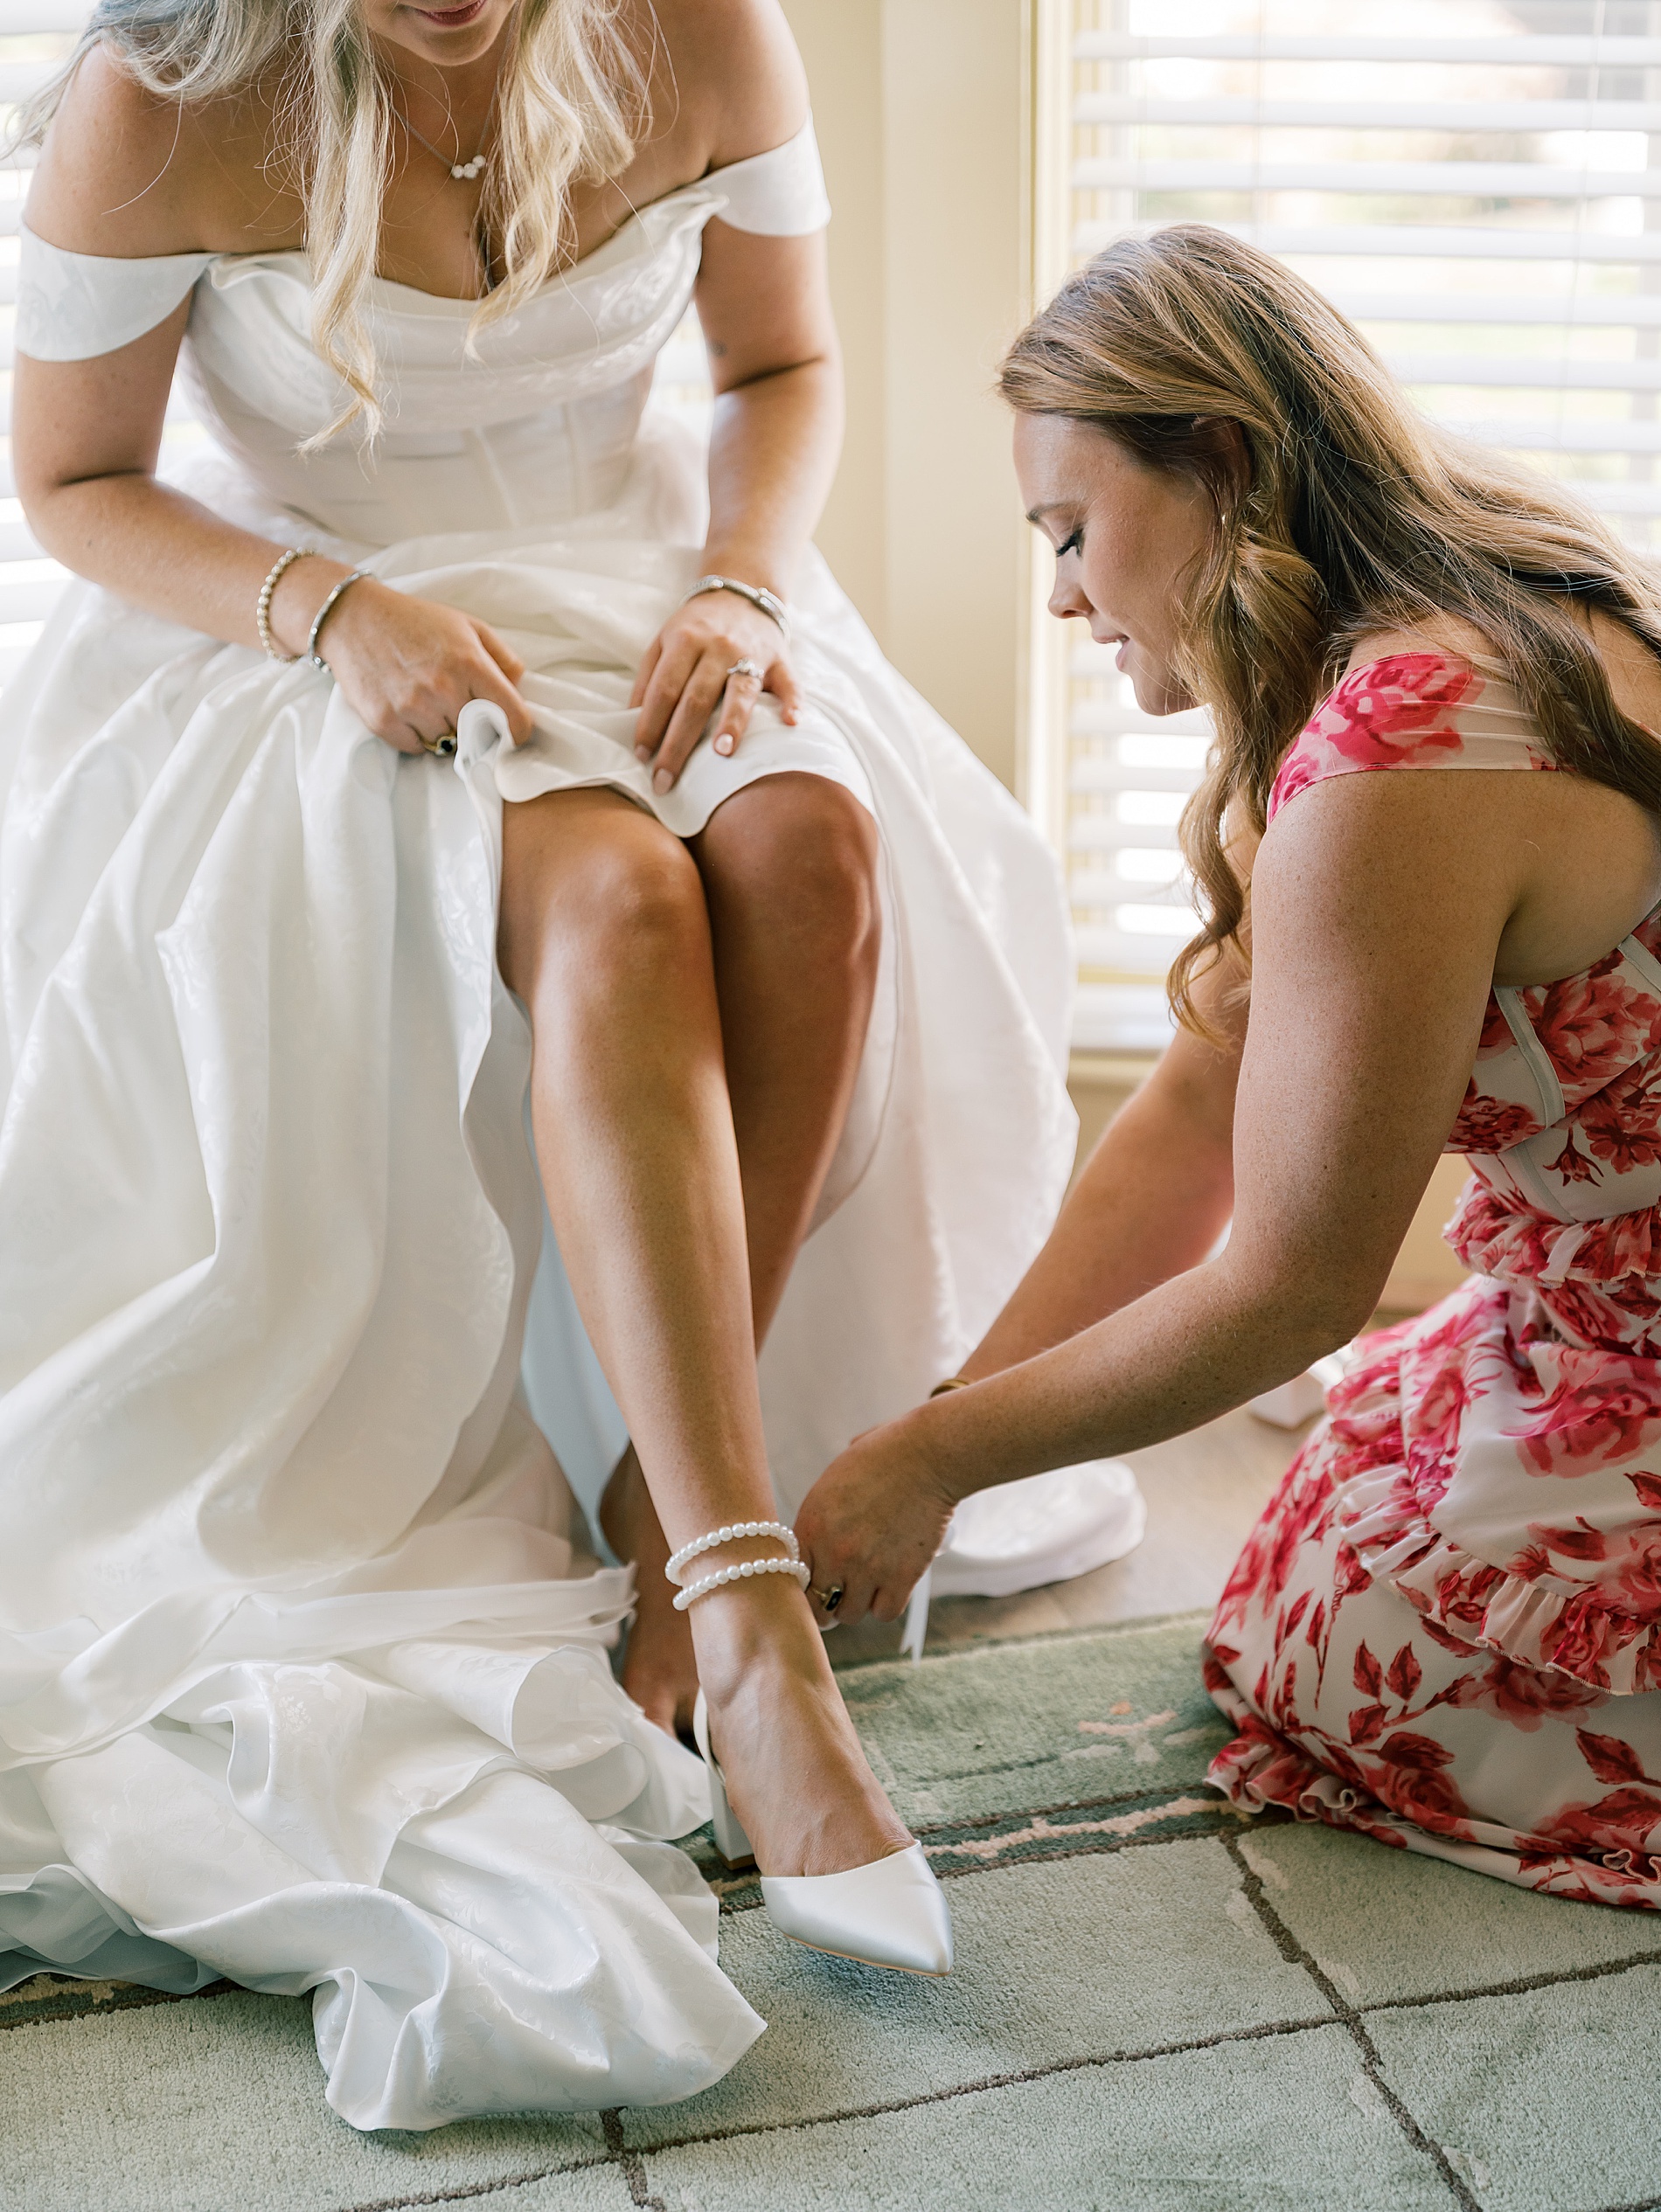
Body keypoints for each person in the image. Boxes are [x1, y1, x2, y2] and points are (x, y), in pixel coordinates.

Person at [0, 0, 1075, 2130]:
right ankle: (747, 1622)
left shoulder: (702, 36)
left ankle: (657, 1513)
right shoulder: (164, 98)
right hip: (334, 640)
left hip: (657, 584)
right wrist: (326, 604)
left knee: (810, 850)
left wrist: (747, 587)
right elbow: (71, 483)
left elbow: (780, 368)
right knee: (618, 904)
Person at [797, 221, 1661, 1913]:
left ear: (1218, 462)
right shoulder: (1459, 613)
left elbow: (1289, 1287)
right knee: (1328, 1545)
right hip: (1593, 1296)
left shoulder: (1397, 750)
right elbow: (1201, 1099)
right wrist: (950, 1418)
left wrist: (930, 1467)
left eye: (1068, 532)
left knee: (1327, 1658)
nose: (1056, 594)